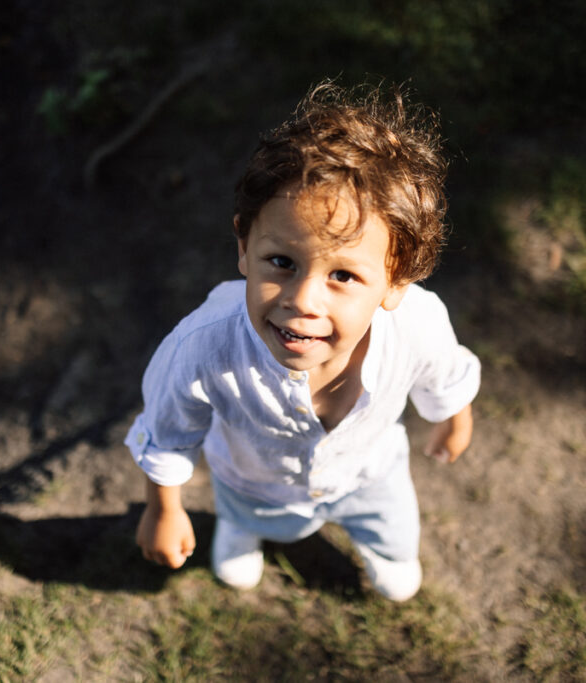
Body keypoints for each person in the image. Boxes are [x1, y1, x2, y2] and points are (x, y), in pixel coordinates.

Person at [124, 82, 480, 601]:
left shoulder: (419, 324)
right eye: (282, 263)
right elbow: (167, 432)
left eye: (343, 276)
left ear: (396, 281)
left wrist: (454, 419)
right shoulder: (202, 347)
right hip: (252, 483)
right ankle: (242, 531)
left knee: (396, 548)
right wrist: (164, 509)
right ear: (245, 246)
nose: (304, 299)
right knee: (250, 516)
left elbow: (445, 373)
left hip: (370, 475)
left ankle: (386, 551)